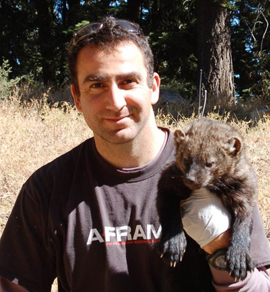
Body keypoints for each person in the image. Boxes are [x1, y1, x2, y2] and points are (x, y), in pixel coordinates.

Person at [0, 16, 269, 292]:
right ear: (76, 98)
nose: (115, 102)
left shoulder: (215, 170)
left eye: (128, 81)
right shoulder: (48, 189)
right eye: (96, 85)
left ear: (153, 87)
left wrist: (220, 246)